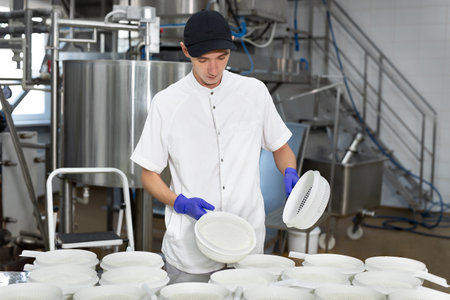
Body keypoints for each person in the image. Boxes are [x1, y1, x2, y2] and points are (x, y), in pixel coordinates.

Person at [131, 9, 299, 280]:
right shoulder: (167, 103)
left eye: (222, 58)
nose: (213, 69)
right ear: (185, 51)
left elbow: (280, 147)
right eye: (203, 60)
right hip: (190, 248)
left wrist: (290, 171)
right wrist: (179, 202)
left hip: (247, 243)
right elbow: (148, 174)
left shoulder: (254, 93)